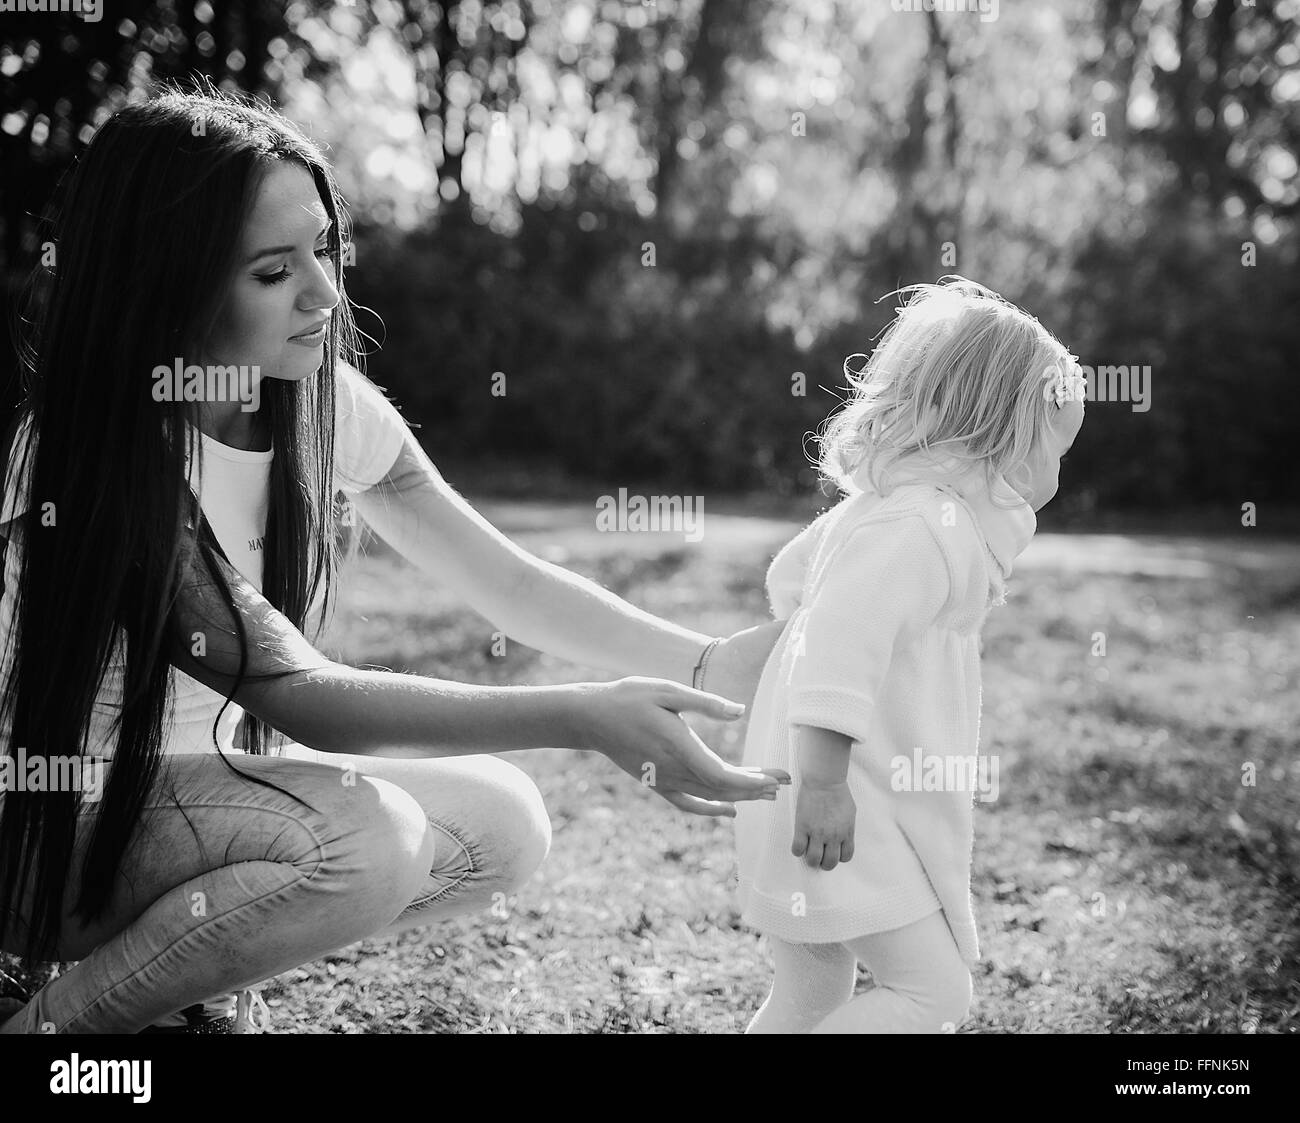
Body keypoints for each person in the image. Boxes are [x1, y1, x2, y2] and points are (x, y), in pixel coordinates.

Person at [0, 86, 789, 1035]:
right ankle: (54, 1029)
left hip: (205, 807)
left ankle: (184, 984)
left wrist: (702, 664)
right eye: (270, 271)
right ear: (167, 281)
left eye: (325, 250)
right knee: (368, 840)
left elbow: (506, 580)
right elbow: (295, 690)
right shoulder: (85, 453)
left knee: (504, 820)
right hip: (47, 836)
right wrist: (582, 714)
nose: (325, 294)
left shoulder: (320, 405)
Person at [734, 277, 1086, 1033]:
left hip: (817, 789)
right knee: (934, 994)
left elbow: (791, 583)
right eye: (1058, 446)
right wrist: (824, 781)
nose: (1061, 473)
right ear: (1005, 436)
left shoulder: (889, 512)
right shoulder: (925, 527)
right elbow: (836, 636)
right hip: (841, 801)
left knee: (811, 992)